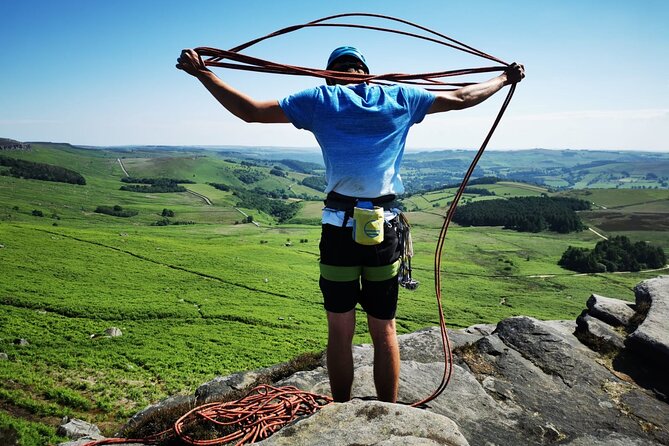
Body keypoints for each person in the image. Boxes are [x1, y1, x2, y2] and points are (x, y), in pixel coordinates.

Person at [176, 46, 524, 403]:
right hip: (384, 230)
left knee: (340, 331)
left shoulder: (321, 99)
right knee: (384, 329)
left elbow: (249, 112)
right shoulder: (400, 96)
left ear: (330, 73)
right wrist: (504, 79)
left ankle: (342, 410)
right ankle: (388, 412)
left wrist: (203, 73)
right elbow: (463, 97)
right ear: (365, 71)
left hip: (339, 229)